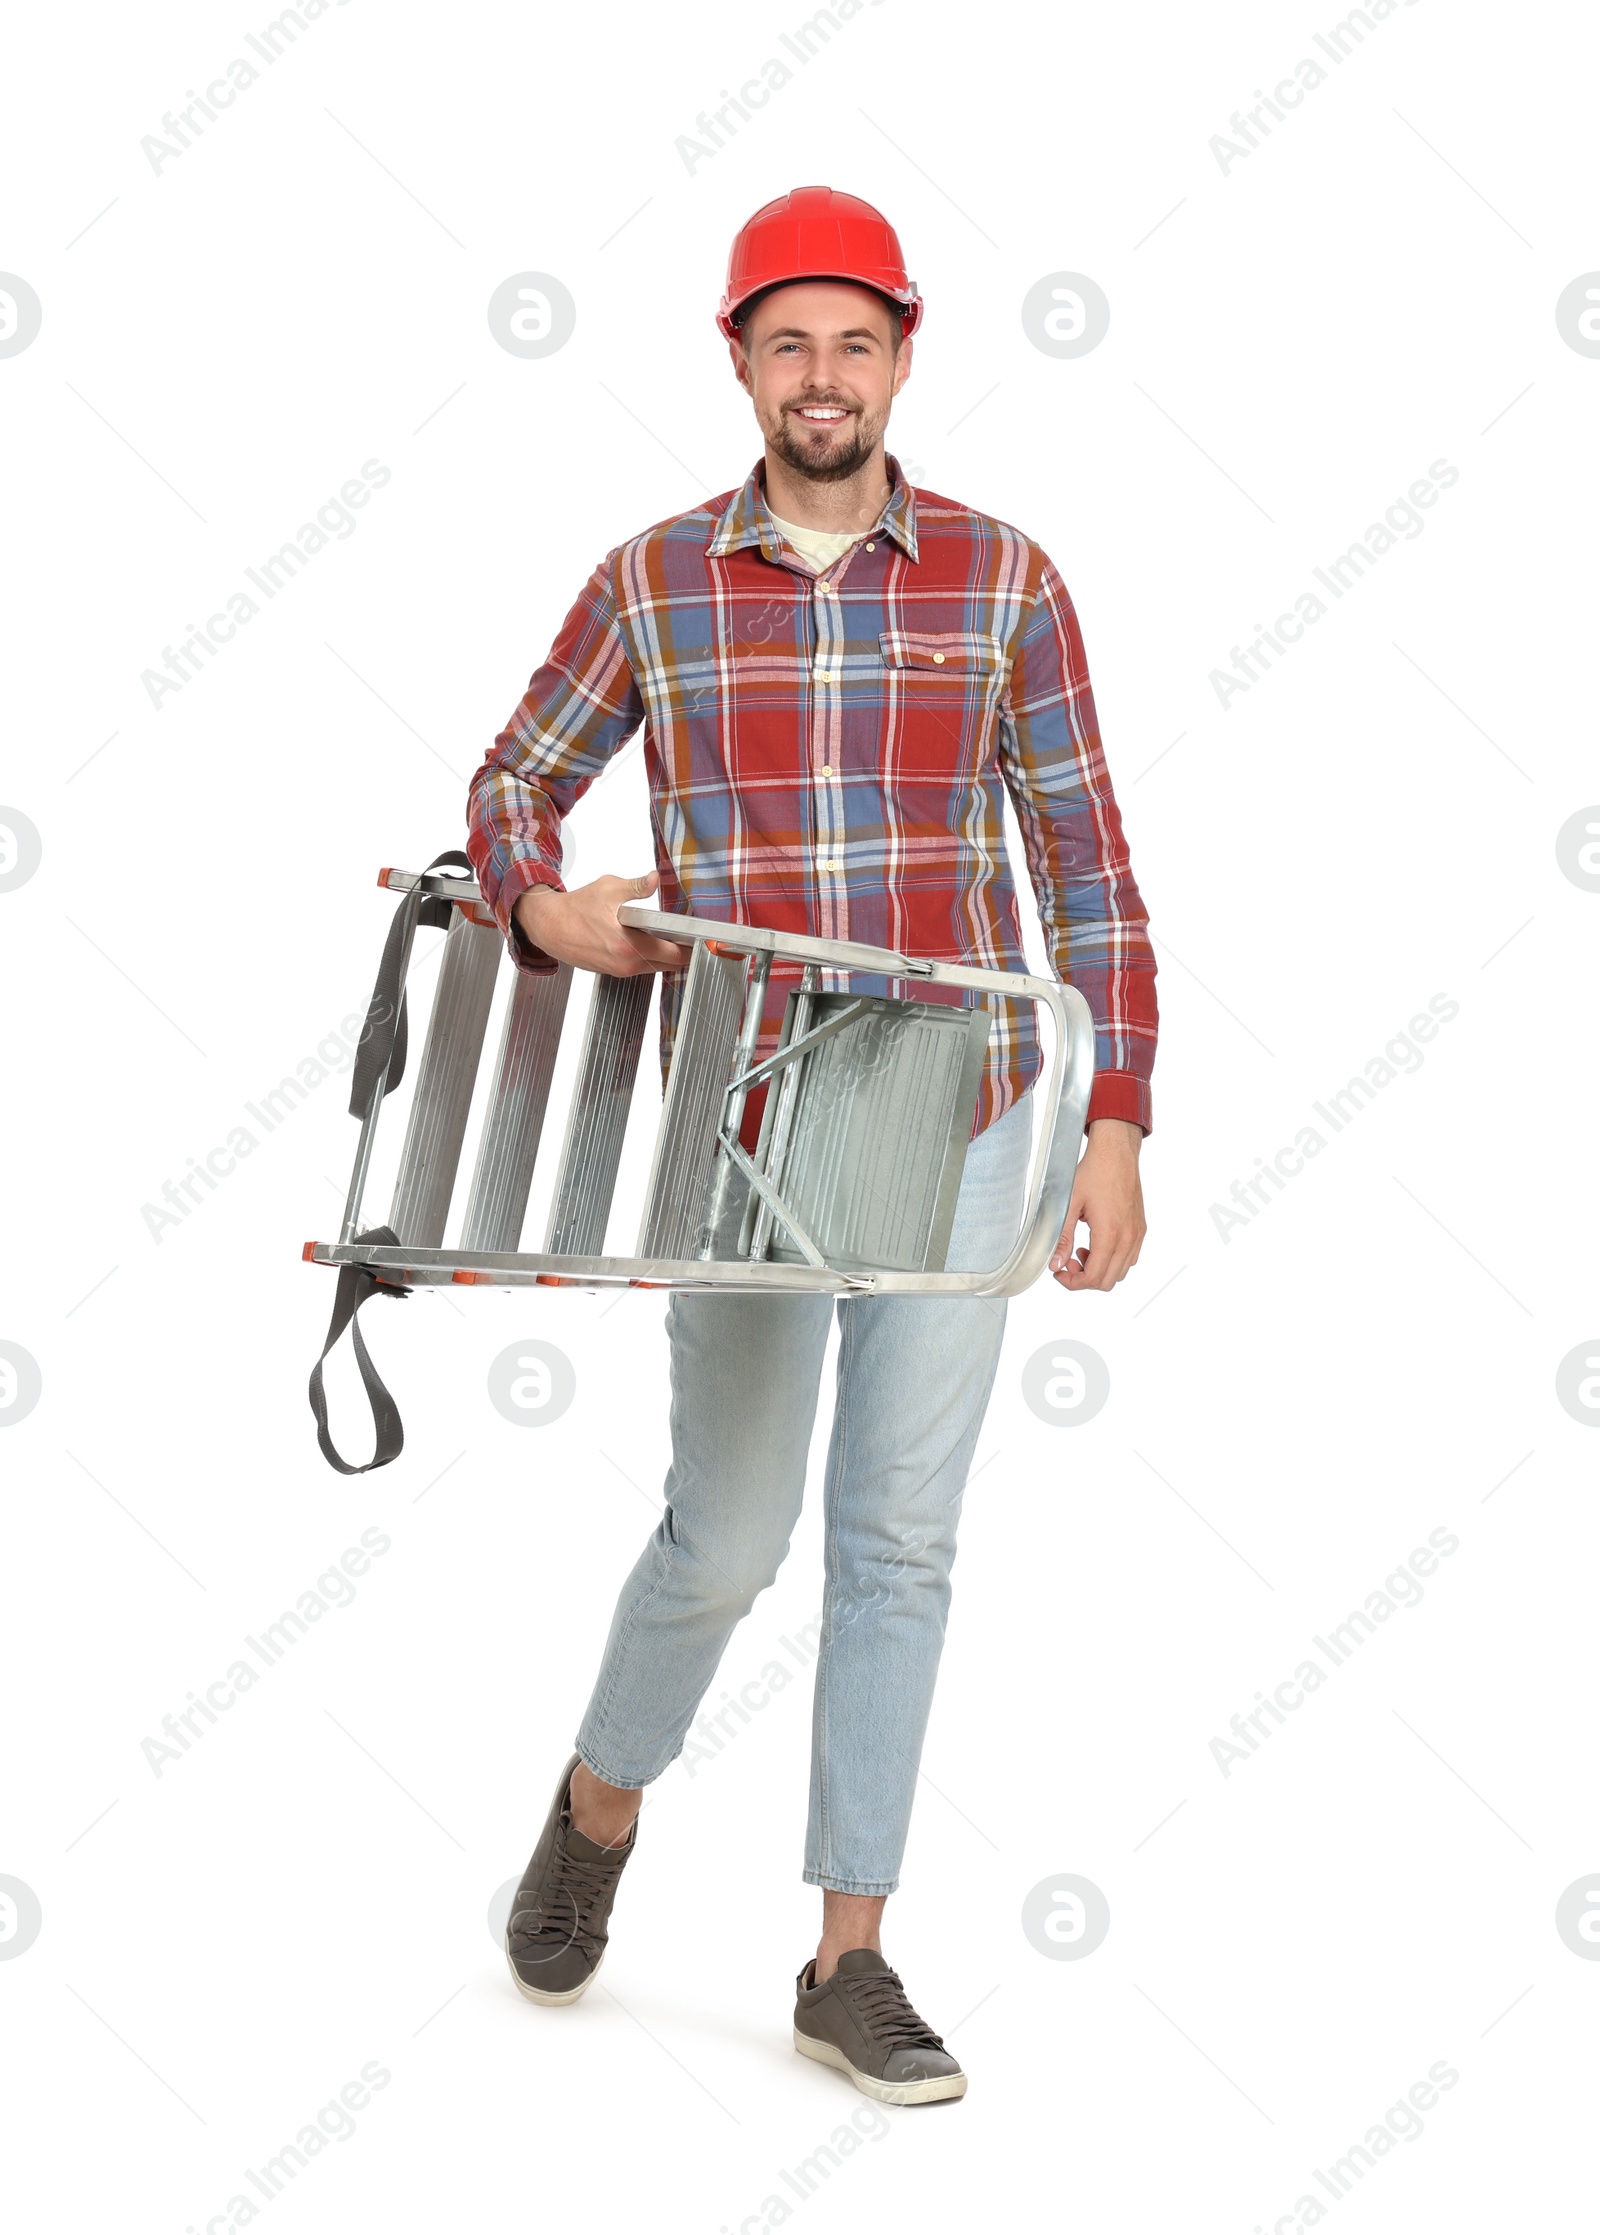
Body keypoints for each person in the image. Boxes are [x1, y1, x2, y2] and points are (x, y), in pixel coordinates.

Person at [466, 184, 1157, 2105]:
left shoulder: (1007, 581)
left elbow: (1089, 868)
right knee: (729, 1533)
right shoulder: (653, 582)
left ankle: (849, 1954)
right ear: (741, 362)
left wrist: (1113, 1119)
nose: (825, 376)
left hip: (963, 1110)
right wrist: (540, 904)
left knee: (898, 1544)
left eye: (857, 342)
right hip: (750, 1119)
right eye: (791, 343)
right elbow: (516, 780)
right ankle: (600, 1807)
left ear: (906, 355)